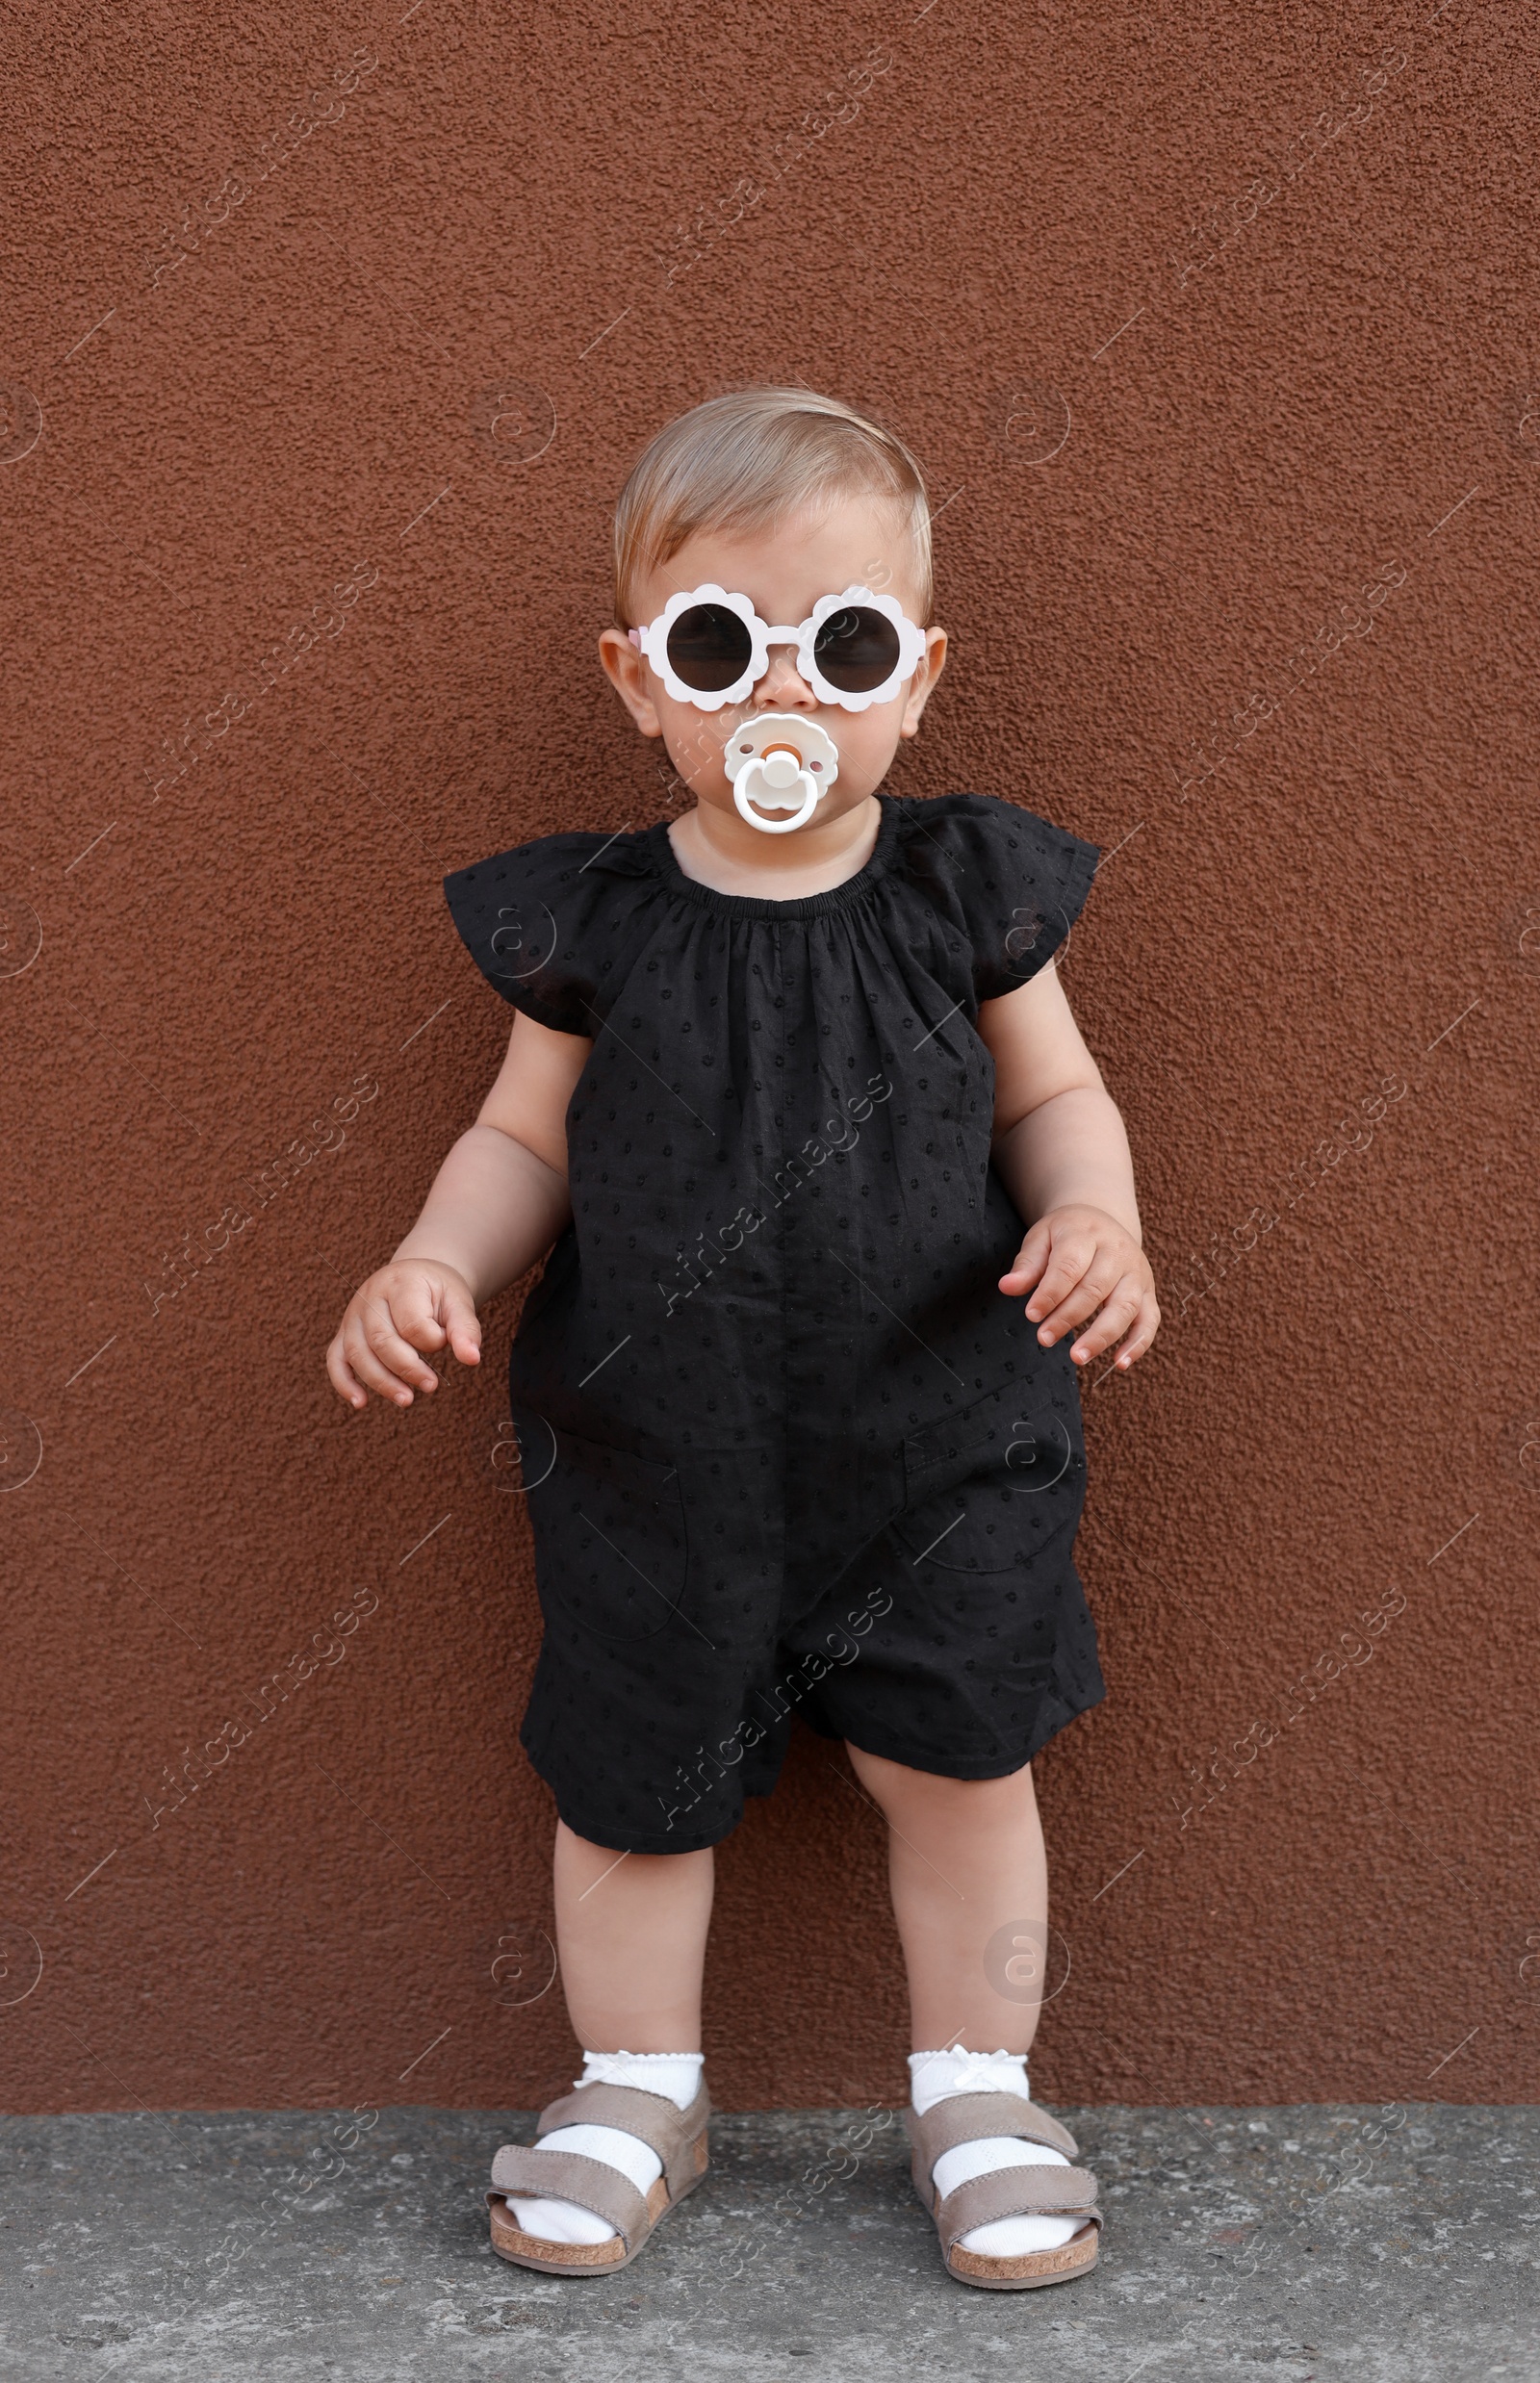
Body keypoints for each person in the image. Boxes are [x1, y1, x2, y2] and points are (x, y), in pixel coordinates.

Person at [326, 387, 1159, 2290]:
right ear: (638, 680)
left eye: (842, 643)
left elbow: (1054, 1099)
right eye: (719, 645)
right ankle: (635, 2079)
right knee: (630, 1769)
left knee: (960, 1760)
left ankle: (975, 2081)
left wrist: (1096, 1213)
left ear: (917, 674)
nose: (782, 693)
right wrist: (434, 1260)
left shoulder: (964, 894)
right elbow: (517, 1137)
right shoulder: (599, 920)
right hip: (657, 1443)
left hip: (938, 1426)